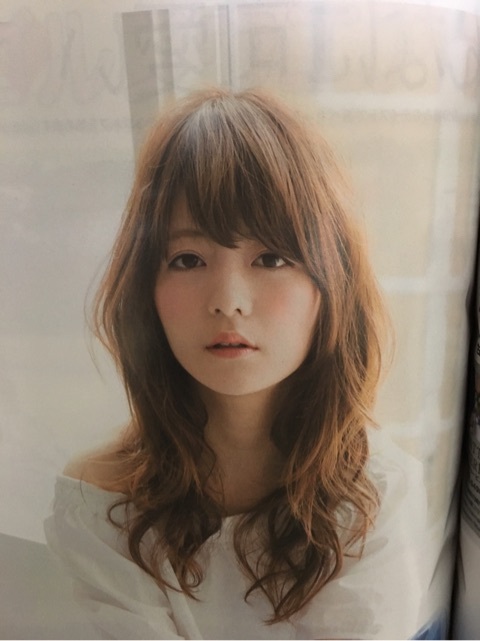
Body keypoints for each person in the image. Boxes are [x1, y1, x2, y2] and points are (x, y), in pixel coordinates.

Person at [44, 88, 428, 639]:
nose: (228, 301)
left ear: (331, 283)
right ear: (145, 288)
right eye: (188, 260)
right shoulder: (101, 499)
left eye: (270, 257)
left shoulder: (378, 498)